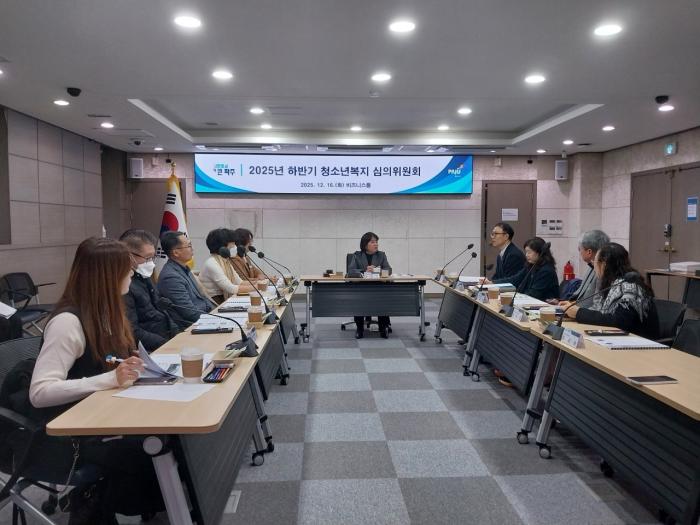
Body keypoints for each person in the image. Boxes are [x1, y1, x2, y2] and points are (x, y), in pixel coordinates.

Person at [29, 237, 163, 523]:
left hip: (105, 415)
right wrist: (109, 378)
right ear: (107, 276)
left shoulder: (107, 312)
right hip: (73, 433)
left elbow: (110, 363)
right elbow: (40, 393)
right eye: (127, 270)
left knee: (169, 436)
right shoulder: (67, 323)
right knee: (153, 448)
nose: (132, 275)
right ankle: (95, 501)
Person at [561, 242, 660, 339]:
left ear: (603, 265)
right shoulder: (614, 283)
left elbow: (619, 321)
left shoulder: (629, 286)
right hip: (620, 339)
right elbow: (601, 312)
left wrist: (579, 313)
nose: (594, 267)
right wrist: (573, 310)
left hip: (639, 342)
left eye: (594, 262)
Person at [119, 229, 179, 352]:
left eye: (152, 257)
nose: (151, 263)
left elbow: (161, 312)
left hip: (166, 340)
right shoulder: (124, 287)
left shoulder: (144, 276)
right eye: (147, 258)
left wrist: (177, 335)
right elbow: (132, 331)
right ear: (128, 255)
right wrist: (166, 345)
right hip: (149, 350)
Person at [157, 231, 215, 329]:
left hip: (205, 317)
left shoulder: (184, 268)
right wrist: (214, 320)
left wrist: (216, 313)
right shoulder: (171, 277)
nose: (192, 249)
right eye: (189, 246)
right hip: (192, 326)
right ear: (176, 252)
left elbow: (203, 298)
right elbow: (190, 313)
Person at [348, 232, 392, 339]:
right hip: (361, 288)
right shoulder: (357, 255)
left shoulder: (381, 255)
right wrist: (364, 270)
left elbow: (388, 270)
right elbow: (351, 271)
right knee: (358, 302)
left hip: (378, 287)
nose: (376, 244)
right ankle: (359, 329)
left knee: (382, 300)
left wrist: (377, 270)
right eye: (372, 242)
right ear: (365, 244)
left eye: (376, 242)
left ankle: (383, 328)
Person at [489, 237, 559, 301]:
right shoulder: (530, 266)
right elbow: (514, 279)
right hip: (529, 303)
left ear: (539, 253)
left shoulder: (546, 271)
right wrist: (492, 283)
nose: (526, 255)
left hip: (544, 306)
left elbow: (534, 294)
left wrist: (513, 298)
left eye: (529, 252)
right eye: (526, 252)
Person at [199, 228, 255, 303]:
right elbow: (231, 288)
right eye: (232, 245)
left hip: (223, 299)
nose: (235, 247)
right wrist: (257, 287)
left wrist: (260, 283)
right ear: (222, 247)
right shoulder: (211, 263)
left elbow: (239, 282)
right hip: (213, 302)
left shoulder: (225, 261)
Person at [566, 230, 610, 306]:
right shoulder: (591, 265)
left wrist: (575, 309)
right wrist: (568, 304)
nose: (580, 252)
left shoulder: (603, 270)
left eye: (580, 249)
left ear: (589, 252)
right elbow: (581, 296)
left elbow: (597, 305)